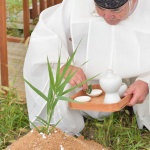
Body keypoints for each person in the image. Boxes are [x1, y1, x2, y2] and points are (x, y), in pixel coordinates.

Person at [23, 0, 150, 135]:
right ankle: (58, 132)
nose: (107, 16)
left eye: (116, 11)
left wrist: (146, 81)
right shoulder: (78, 3)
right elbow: (46, 33)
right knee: (53, 67)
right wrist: (64, 65)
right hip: (86, 82)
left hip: (136, 82)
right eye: (100, 8)